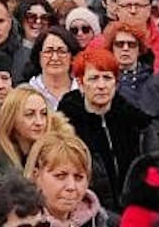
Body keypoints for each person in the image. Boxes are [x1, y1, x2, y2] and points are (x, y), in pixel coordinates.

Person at [59, 48, 148, 212]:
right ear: (80, 84)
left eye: (107, 78)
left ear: (116, 83)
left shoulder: (134, 122)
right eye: (93, 78)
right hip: (89, 212)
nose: (101, 86)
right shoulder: (66, 127)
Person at [0, 84, 54, 175]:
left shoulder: (56, 150)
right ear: (11, 117)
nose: (39, 122)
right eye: (29, 114)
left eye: (44, 113)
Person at [24, 27, 81, 105]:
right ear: (39, 56)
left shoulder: (83, 91)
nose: (55, 58)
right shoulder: (26, 92)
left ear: (72, 57)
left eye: (62, 51)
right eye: (48, 51)